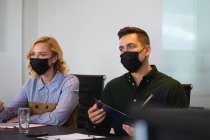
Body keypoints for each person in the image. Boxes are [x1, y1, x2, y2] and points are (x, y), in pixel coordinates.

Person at [87, 26, 188, 136]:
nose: (125, 53)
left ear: (147, 50)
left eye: (131, 46)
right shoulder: (112, 87)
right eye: (121, 49)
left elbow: (182, 134)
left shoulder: (172, 87)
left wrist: (146, 136)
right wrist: (94, 121)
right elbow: (102, 132)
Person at [0, 36, 79, 127]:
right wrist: (1, 110)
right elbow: (11, 112)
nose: (36, 58)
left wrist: (26, 119)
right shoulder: (30, 83)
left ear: (54, 58)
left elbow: (58, 118)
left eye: (42, 54)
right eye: (33, 54)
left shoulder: (70, 82)